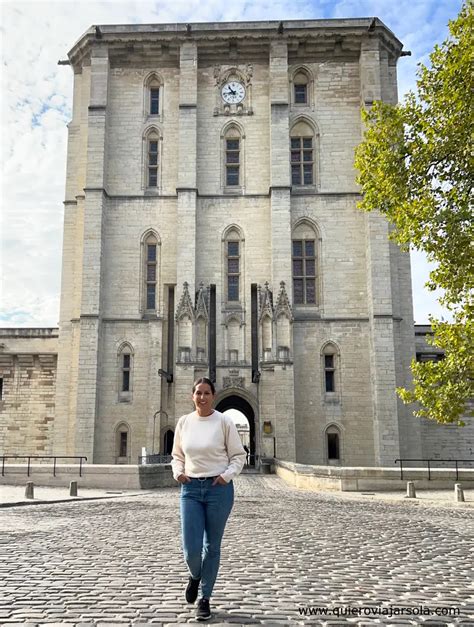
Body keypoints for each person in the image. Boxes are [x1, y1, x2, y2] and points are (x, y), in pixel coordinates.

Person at [171, 377, 246, 621]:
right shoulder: (184, 422)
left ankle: (205, 598)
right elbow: (177, 455)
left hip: (218, 490)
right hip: (191, 489)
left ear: (213, 395)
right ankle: (194, 576)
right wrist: (178, 472)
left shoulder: (224, 422)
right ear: (192, 396)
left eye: (206, 393)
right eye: (198, 393)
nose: (202, 397)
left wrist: (226, 476)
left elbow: (238, 455)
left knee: (212, 547)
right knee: (191, 550)